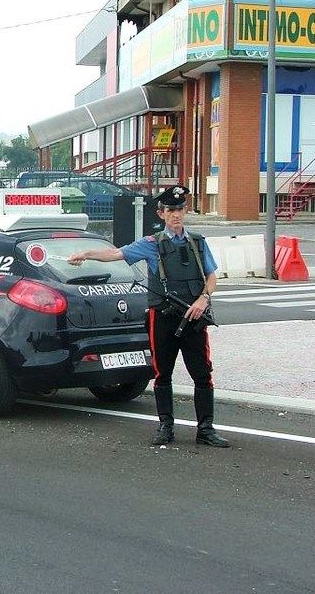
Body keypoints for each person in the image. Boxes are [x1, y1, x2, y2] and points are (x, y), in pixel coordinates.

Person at [68, 185, 230, 448]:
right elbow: (116, 254)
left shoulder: (198, 242)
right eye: (170, 210)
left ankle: (206, 429)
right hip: (163, 318)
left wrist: (204, 299)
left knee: (202, 374)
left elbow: (211, 276)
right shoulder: (151, 244)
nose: (176, 214)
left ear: (185, 210)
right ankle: (165, 426)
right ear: (161, 213)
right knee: (162, 373)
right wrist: (85, 254)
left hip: (194, 317)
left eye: (180, 209)